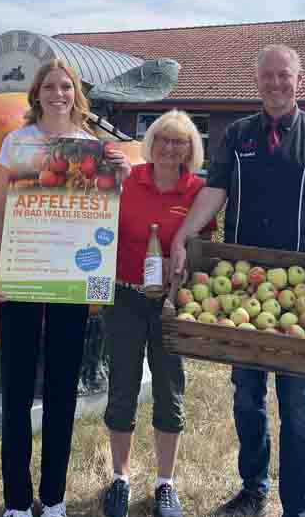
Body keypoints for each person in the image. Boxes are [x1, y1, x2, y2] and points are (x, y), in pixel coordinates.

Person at [170, 44, 305, 517]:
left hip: (304, 293)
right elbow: (213, 192)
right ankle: (254, 488)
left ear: (300, 80)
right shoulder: (238, 135)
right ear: (256, 82)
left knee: (298, 410)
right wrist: (181, 236)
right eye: (268, 77)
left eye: (285, 76)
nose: (276, 84)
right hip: (239, 286)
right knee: (247, 399)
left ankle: (298, 506)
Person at [0, 59, 130, 517]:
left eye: (66, 86)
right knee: (17, 391)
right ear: (37, 93)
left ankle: (55, 497)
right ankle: (18, 501)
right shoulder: (16, 143)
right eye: (49, 86)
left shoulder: (93, 148)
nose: (58, 93)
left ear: (75, 94)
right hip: (22, 275)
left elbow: (103, 220)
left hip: (69, 283)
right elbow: (0, 211)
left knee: (64, 390)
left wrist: (121, 175)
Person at [100, 110, 215, 517]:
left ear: (191, 149)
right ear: (151, 142)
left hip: (171, 303)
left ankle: (165, 483)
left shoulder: (200, 191)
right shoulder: (126, 179)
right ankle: (120, 479)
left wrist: (184, 266)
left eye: (179, 141)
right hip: (124, 298)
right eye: (163, 139)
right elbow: (96, 231)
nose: (170, 148)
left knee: (170, 388)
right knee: (122, 386)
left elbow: (206, 253)